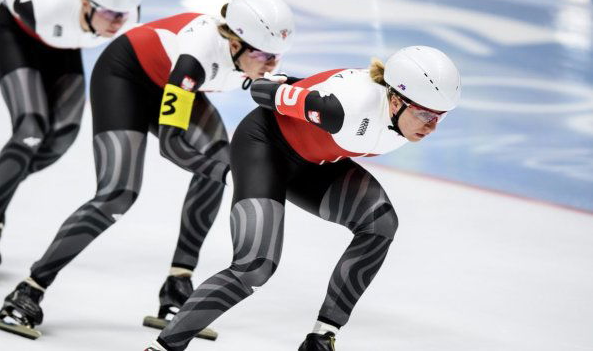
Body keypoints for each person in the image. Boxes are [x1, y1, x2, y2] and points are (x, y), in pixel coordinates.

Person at [0, 0, 296, 338]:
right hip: (125, 79)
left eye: (277, 56)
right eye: (264, 55)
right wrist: (230, 173)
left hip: (170, 85)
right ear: (234, 43)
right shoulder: (197, 54)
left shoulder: (256, 57)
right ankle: (29, 289)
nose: (271, 65)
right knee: (118, 193)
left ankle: (178, 285)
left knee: (218, 158)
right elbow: (173, 147)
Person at [145, 46, 462, 351]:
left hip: (314, 163)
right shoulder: (345, 107)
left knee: (380, 223)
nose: (432, 127)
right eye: (425, 115)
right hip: (263, 150)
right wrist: (292, 92)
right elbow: (262, 92)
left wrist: (295, 86)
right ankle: (162, 347)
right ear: (395, 101)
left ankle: (320, 339)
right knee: (254, 266)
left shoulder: (398, 117)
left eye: (441, 117)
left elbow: (303, 86)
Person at [0, 0, 143, 283]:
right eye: (109, 12)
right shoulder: (46, 5)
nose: (117, 22)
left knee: (64, 135)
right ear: (85, 1)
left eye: (122, 14)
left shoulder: (128, 15)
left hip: (63, 44)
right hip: (16, 36)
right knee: (31, 128)